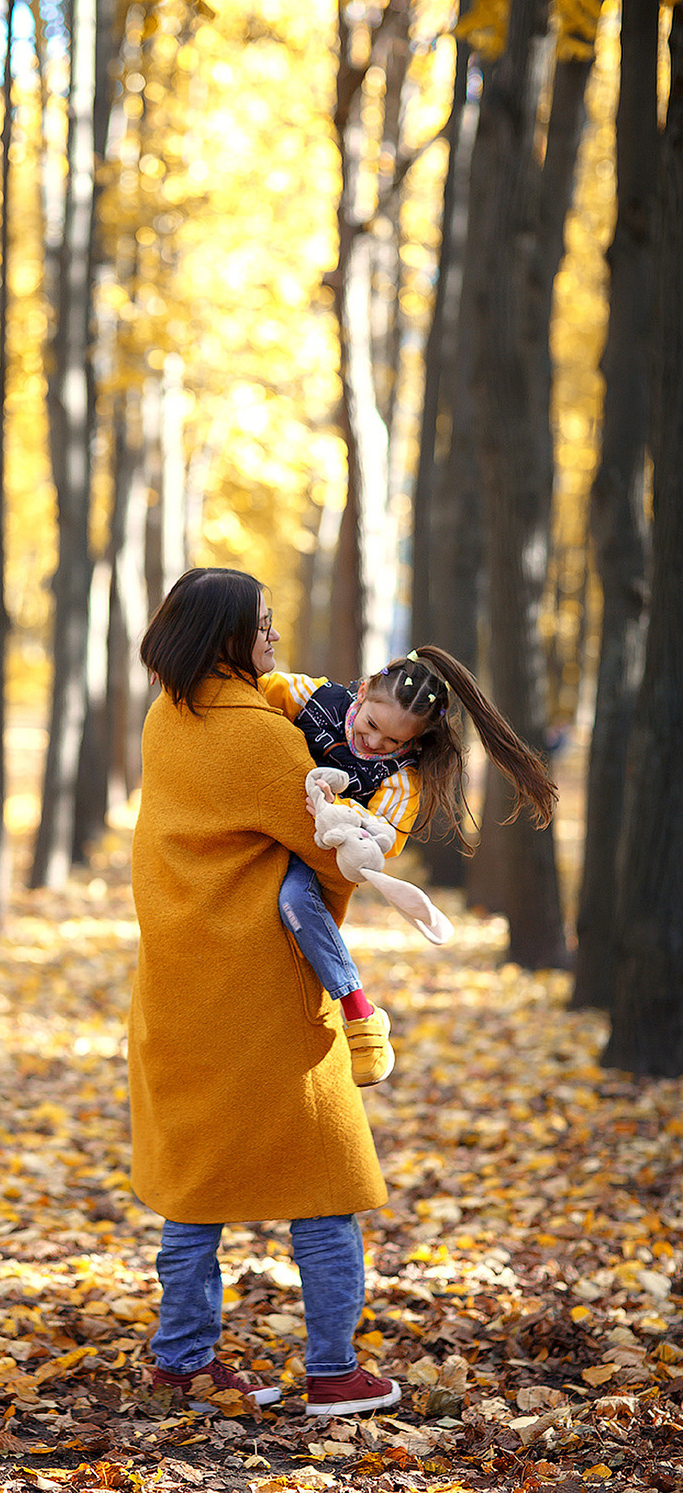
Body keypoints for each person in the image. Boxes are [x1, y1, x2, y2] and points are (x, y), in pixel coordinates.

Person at [129, 567, 401, 1418]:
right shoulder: (260, 737)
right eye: (262, 624)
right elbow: (331, 853)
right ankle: (333, 1371)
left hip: (178, 986)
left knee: (194, 1185)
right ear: (224, 638)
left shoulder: (166, 715)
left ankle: (181, 1360)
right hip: (263, 992)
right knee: (326, 1180)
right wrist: (389, 798)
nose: (274, 636)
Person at [262, 649, 558, 1086]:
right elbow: (248, 696)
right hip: (265, 824)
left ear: (414, 742)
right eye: (372, 726)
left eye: (393, 742)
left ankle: (359, 1012)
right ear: (360, 694)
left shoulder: (402, 777)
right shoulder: (313, 697)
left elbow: (386, 839)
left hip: (321, 852)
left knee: (293, 902)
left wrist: (338, 810)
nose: (376, 743)